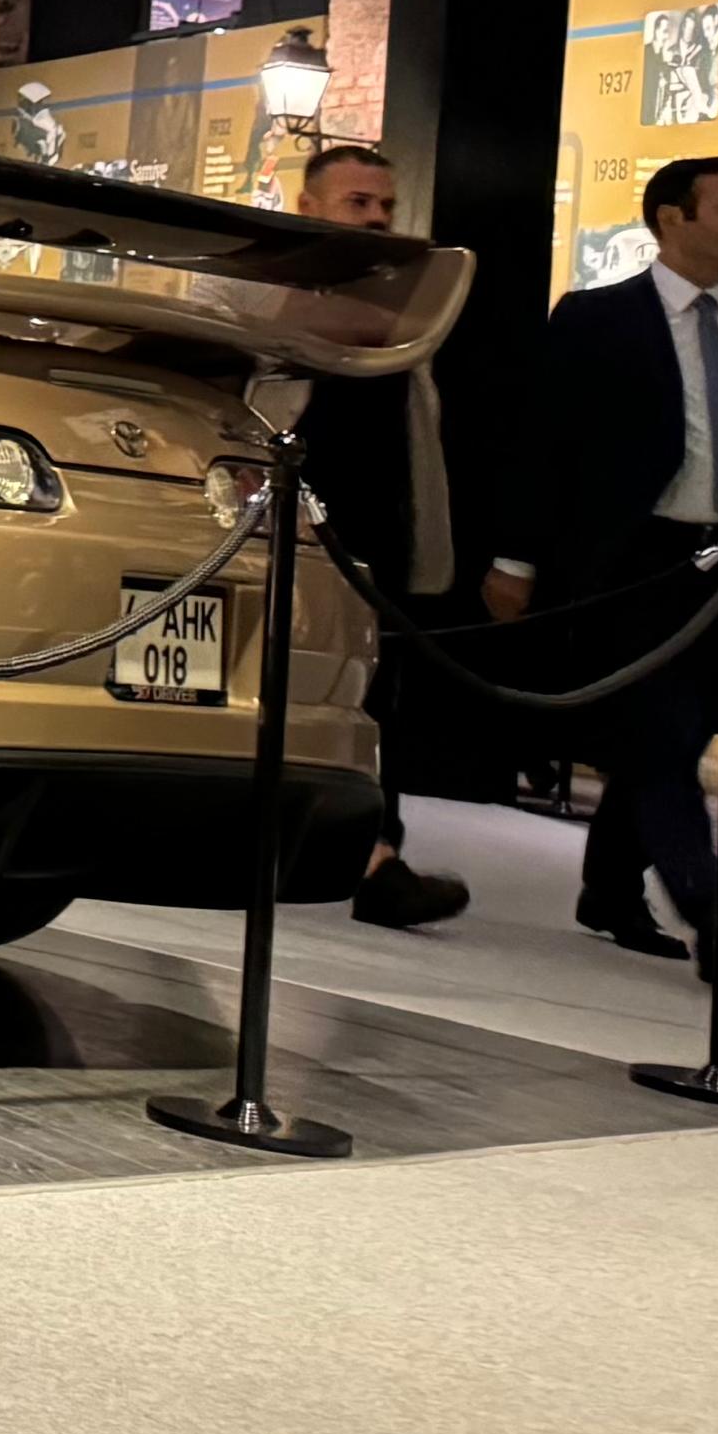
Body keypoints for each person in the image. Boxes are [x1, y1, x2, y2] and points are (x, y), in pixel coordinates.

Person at [489, 151, 718, 966]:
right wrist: (515, 558)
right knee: (661, 731)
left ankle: (609, 888)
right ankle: (710, 905)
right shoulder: (596, 320)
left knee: (676, 736)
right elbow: (541, 446)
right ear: (672, 219)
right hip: (636, 566)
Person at [284, 140, 469, 931]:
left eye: (386, 205)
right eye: (358, 203)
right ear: (309, 208)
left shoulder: (406, 305)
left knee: (372, 697)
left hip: (376, 533)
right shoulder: (263, 291)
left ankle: (377, 855)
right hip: (285, 527)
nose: (377, 218)